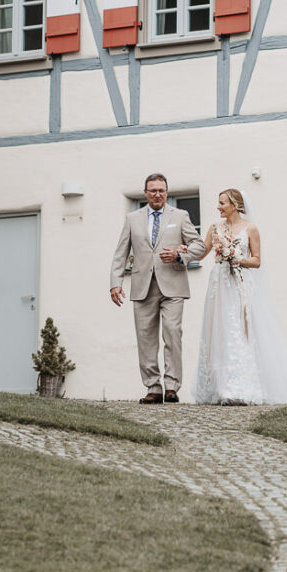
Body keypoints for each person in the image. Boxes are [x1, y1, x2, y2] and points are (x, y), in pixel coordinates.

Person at [191, 189, 287, 405]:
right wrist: (183, 252)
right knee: (218, 331)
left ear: (234, 204)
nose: (218, 207)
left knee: (240, 329)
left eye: (221, 203)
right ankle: (218, 387)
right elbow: (202, 253)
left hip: (240, 285)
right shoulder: (214, 228)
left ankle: (241, 387)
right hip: (219, 285)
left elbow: (256, 261)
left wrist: (236, 258)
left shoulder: (250, 229)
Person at [110, 173, 207, 404]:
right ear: (145, 193)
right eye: (153, 191)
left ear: (167, 192)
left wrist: (179, 254)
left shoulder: (180, 215)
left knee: (172, 334)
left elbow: (200, 246)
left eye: (161, 190)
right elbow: (121, 252)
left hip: (173, 286)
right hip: (143, 287)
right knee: (146, 339)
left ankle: (172, 386)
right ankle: (153, 387)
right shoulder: (133, 218)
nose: (157, 194)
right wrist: (116, 283)